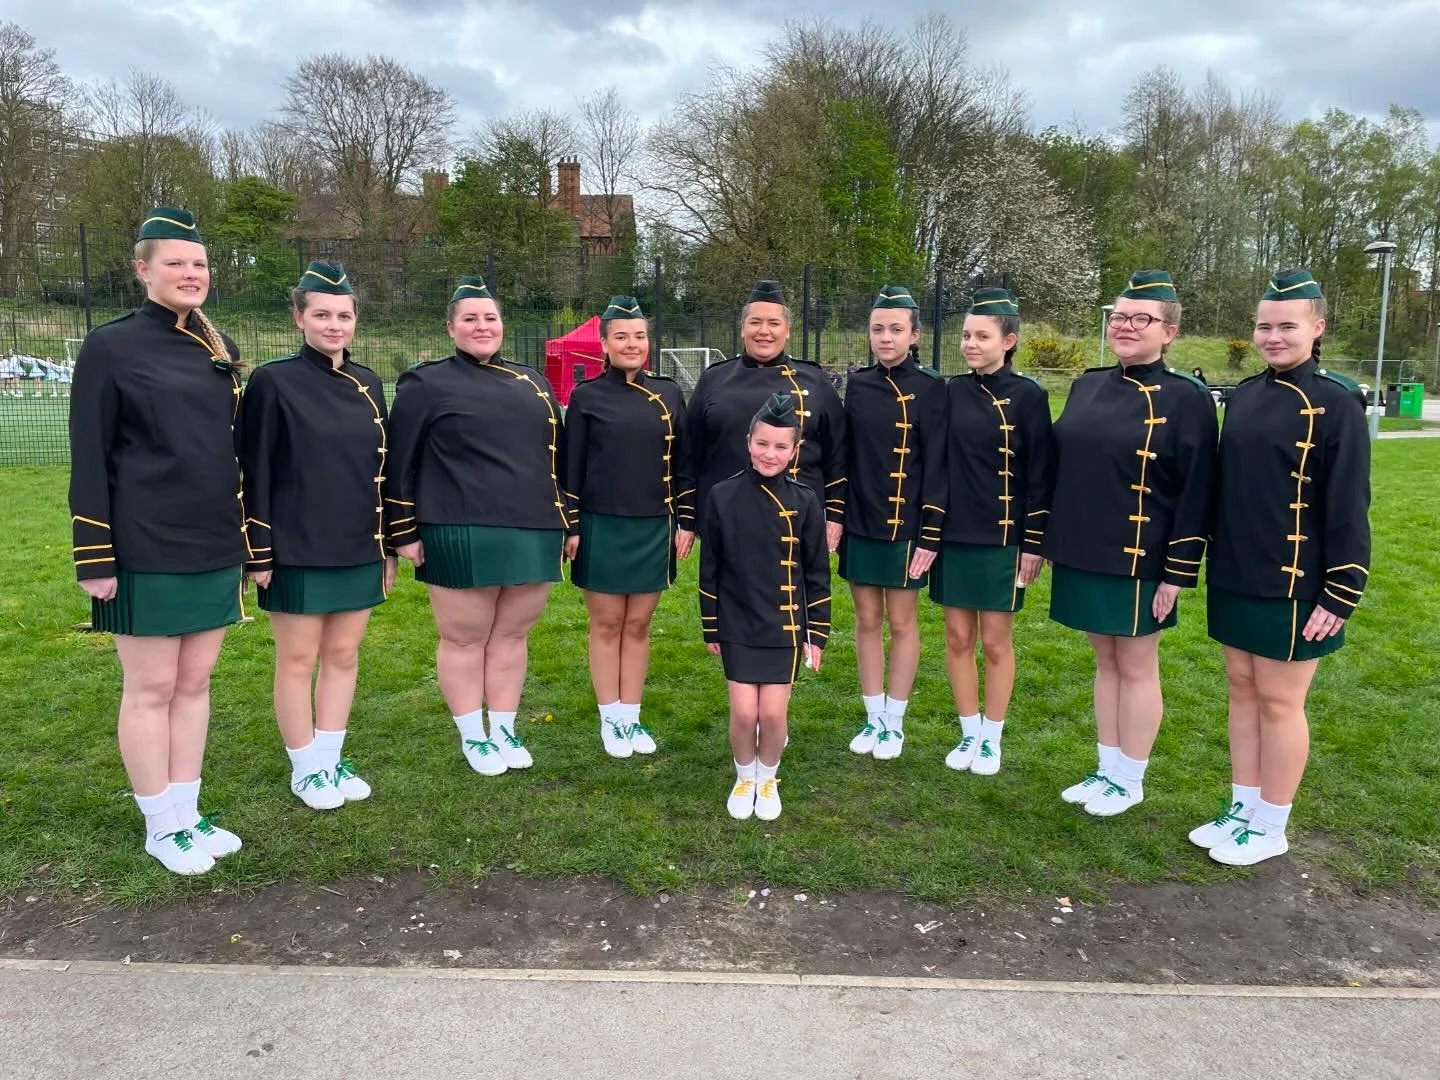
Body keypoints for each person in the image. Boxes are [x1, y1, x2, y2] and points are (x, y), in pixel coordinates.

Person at [67, 206, 247, 875]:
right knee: (150, 688)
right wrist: (94, 553)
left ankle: (187, 812)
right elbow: (89, 452)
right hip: (142, 543)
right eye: (175, 263)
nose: (189, 273)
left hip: (211, 541)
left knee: (195, 684)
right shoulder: (111, 346)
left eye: (198, 264)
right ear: (142, 269)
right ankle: (158, 826)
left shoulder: (214, 345)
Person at [1193, 269, 1370, 866]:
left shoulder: (1337, 401)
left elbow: (1349, 502)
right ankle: (1244, 808)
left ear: (1317, 329)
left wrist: (1342, 588)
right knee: (1242, 691)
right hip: (1238, 567)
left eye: (1286, 326)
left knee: (1278, 701)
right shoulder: (1242, 396)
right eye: (1265, 325)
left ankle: (1272, 825)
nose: (1273, 336)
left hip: (1299, 577)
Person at [1043, 270, 1218, 817]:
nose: (1125, 326)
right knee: (1105, 662)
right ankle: (1106, 767)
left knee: (1137, 664)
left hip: (1142, 553)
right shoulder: (1087, 384)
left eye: (1141, 319)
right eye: (1118, 316)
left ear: (1168, 332)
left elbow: (1197, 491)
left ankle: (1131, 778)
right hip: (1085, 546)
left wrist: (1178, 570)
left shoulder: (1188, 399)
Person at [384, 276, 567, 777]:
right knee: (465, 639)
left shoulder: (533, 380)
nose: (481, 326)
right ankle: (473, 735)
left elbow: (557, 456)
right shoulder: (425, 383)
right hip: (458, 527)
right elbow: (400, 461)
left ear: (502, 325)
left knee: (512, 636)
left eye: (490, 317)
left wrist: (566, 519)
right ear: (451, 327)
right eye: (470, 318)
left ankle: (504, 727)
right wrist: (402, 528)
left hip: (533, 527)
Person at [240, 260, 395, 810]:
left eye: (344, 315)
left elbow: (380, 470)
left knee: (345, 655)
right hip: (296, 546)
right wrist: (257, 550)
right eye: (322, 314)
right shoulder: (272, 381)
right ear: (298, 319)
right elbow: (253, 470)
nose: (334, 325)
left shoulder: (370, 382)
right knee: (298, 660)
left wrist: (386, 544)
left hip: (357, 544)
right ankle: (305, 766)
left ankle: (329, 759)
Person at [564, 296, 694, 758]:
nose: (632, 344)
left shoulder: (670, 392)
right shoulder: (586, 397)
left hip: (654, 526)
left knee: (638, 624)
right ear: (604, 344)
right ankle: (610, 720)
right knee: (606, 623)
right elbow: (570, 466)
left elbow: (685, 465)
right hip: (601, 524)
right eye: (621, 336)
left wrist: (687, 519)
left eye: (639, 335)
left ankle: (631, 718)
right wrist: (572, 525)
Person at [932, 288, 1054, 776]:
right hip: (953, 534)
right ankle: (968, 732)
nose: (970, 344)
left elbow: (1041, 475)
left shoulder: (1030, 396)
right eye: (965, 335)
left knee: (996, 642)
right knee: (958, 637)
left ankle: (993, 738)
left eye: (982, 336)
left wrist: (1034, 542)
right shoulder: (951, 391)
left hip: (1004, 538)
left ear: (1009, 341)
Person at [700, 393, 830, 821]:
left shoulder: (805, 500)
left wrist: (818, 634)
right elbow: (711, 569)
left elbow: (816, 573)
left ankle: (769, 776)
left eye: (780, 446)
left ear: (795, 451)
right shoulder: (721, 496)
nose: (769, 454)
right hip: (737, 619)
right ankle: (745, 776)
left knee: (772, 714)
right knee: (743, 711)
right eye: (762, 443)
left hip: (785, 624)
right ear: (748, 441)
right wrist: (711, 626)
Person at [839, 285, 946, 760]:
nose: (886, 337)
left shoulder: (932, 387)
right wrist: (838, 516)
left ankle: (894, 723)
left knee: (902, 621)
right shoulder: (857, 384)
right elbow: (846, 454)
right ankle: (871, 714)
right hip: (862, 519)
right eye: (878, 328)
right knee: (866, 619)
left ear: (914, 334)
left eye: (896, 329)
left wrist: (931, 531)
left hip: (908, 523)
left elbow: (939, 464)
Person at [682, 280, 846, 551]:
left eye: (774, 323)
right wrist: (688, 518)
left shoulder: (815, 380)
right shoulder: (714, 379)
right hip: (727, 518)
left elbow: (838, 453)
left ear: (788, 330)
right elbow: (689, 453)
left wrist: (836, 516)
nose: (764, 331)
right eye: (755, 322)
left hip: (798, 520)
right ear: (743, 328)